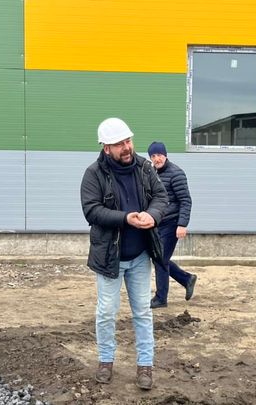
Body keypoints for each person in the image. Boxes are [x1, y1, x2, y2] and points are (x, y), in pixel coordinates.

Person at [80, 118, 168, 390]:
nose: (127, 147)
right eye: (119, 144)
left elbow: (161, 197)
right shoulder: (93, 174)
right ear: (106, 148)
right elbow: (91, 210)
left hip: (140, 255)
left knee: (142, 312)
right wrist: (125, 218)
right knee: (107, 312)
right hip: (109, 257)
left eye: (128, 141)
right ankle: (106, 361)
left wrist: (153, 215)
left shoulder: (144, 168)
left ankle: (145, 366)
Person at [147, 141, 197, 309]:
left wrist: (182, 224)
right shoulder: (152, 173)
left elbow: (186, 200)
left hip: (172, 222)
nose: (157, 159)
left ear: (165, 155)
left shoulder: (176, 174)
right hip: (157, 223)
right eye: (153, 156)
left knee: (160, 259)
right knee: (160, 258)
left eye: (159, 155)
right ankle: (187, 279)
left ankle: (161, 298)